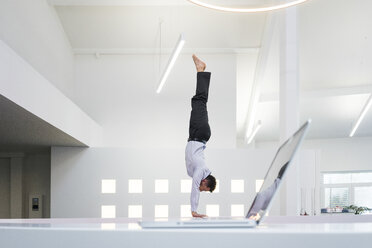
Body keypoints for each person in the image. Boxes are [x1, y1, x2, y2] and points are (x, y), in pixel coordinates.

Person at [185, 54, 217, 218]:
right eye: (204, 189)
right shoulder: (200, 172)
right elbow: (194, 188)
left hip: (195, 134)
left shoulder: (199, 170)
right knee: (199, 101)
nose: (201, 190)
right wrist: (194, 211)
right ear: (205, 182)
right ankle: (200, 69)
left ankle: (201, 70)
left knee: (197, 102)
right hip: (199, 133)